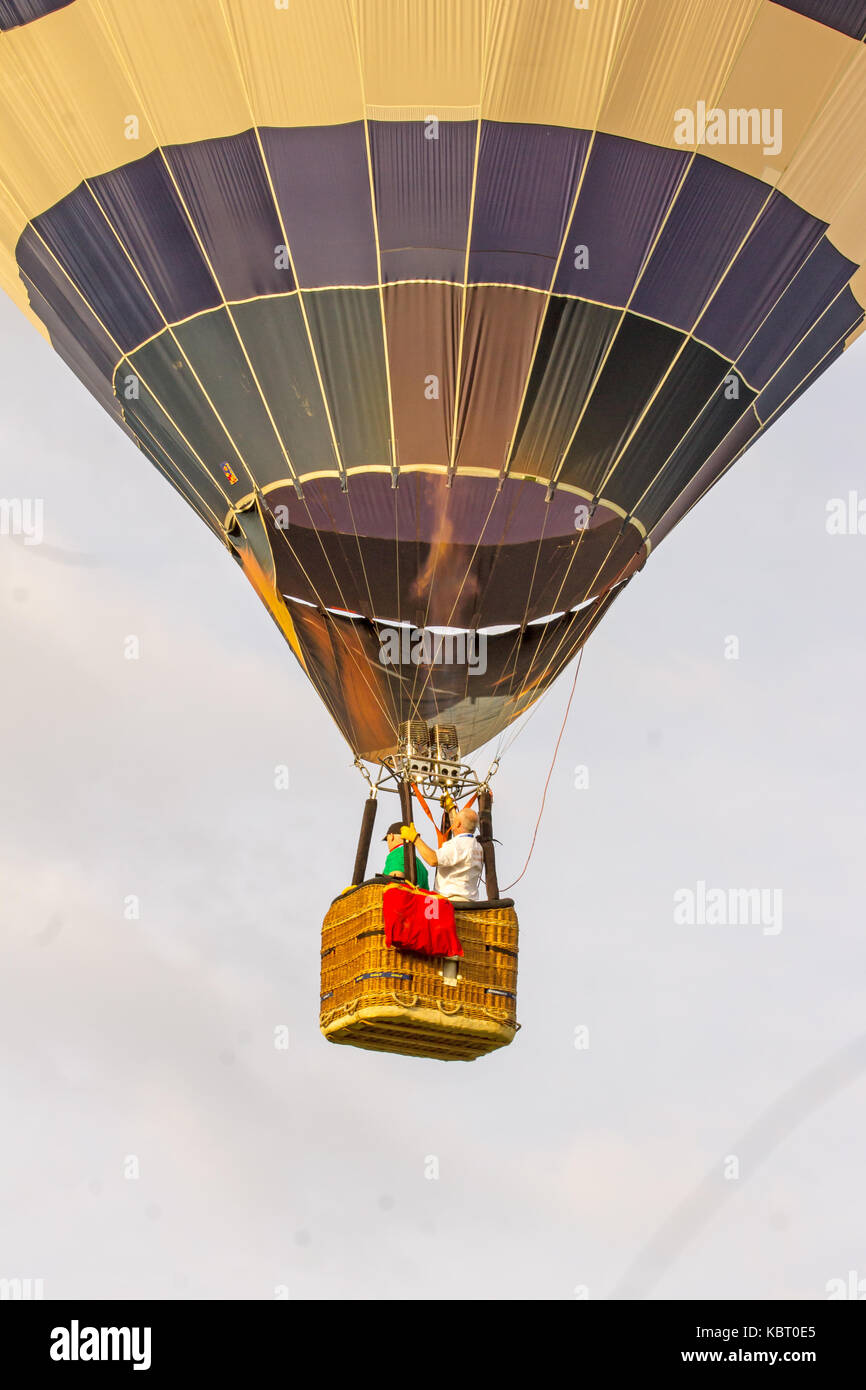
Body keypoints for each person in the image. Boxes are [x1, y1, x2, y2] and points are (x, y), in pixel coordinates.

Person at [402, 805, 484, 901]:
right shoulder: (477, 847)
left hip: (451, 902)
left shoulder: (456, 845)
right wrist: (450, 809)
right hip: (469, 901)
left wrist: (415, 838)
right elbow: (459, 824)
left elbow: (433, 860)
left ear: (458, 824)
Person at [382, 822, 429, 890]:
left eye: (387, 839)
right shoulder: (422, 867)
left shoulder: (396, 853)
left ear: (391, 836)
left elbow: (396, 881)